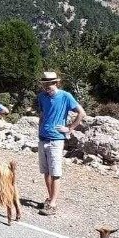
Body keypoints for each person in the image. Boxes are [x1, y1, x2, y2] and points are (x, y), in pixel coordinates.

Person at [36, 71, 86, 216]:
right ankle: (50, 197)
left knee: (55, 172)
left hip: (56, 139)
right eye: (45, 84)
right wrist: (40, 129)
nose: (47, 87)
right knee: (45, 171)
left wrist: (69, 128)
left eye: (49, 84)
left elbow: (81, 113)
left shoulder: (65, 96)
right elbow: (43, 114)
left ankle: (53, 203)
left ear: (56, 83)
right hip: (43, 137)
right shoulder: (41, 97)